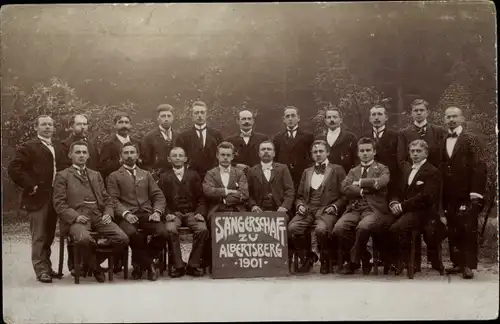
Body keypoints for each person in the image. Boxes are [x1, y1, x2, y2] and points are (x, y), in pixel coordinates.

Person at [53, 141, 129, 283]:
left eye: (84, 152)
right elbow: (59, 204)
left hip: (98, 215)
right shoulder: (62, 176)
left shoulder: (96, 175)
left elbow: (107, 199)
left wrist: (108, 213)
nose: (81, 155)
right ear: (70, 155)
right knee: (84, 239)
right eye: (77, 152)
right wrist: (75, 217)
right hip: (78, 217)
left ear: (88, 155)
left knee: (122, 238)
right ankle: (96, 268)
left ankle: (91, 263)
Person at [8, 115, 65, 283]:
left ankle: (47, 267)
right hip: (37, 197)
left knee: (48, 235)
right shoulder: (29, 146)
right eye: (43, 125)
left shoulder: (58, 147)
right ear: (36, 128)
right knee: (39, 235)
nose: (47, 127)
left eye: (50, 125)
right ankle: (41, 270)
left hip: (55, 196)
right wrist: (30, 185)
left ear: (54, 128)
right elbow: (14, 168)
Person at [106, 142, 168, 281]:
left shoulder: (146, 174)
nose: (129, 156)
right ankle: (149, 265)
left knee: (163, 232)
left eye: (132, 152)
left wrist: (157, 211)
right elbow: (112, 200)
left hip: (147, 213)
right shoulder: (114, 176)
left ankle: (141, 263)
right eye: (126, 153)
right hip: (127, 215)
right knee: (132, 234)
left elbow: (158, 195)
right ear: (120, 157)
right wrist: (126, 214)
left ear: (138, 155)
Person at [333, 137, 393, 275]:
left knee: (364, 227)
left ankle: (353, 262)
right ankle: (364, 255)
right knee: (339, 228)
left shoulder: (382, 168)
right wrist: (363, 190)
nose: (365, 153)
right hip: (354, 208)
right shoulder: (353, 170)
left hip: (373, 209)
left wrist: (358, 182)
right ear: (358, 153)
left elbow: (381, 182)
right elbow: (343, 187)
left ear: (374, 152)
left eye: (368, 150)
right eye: (362, 151)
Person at [440, 106, 487, 279]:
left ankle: (468, 265)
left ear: (462, 119)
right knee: (453, 228)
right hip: (449, 193)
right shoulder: (443, 139)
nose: (451, 119)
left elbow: (479, 167)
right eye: (448, 117)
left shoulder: (471, 139)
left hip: (467, 192)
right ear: (444, 120)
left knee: (467, 228)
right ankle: (457, 263)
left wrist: (476, 193)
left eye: (454, 116)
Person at [288, 140, 347, 274]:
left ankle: (326, 259)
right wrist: (300, 205)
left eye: (321, 151)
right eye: (315, 152)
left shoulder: (337, 170)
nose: (318, 154)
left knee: (321, 230)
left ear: (328, 152)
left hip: (327, 210)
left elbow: (345, 195)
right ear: (311, 154)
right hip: (308, 210)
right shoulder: (307, 172)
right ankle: (308, 257)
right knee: (292, 228)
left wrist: (334, 206)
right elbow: (300, 196)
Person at [388, 140, 444, 274]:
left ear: (426, 153)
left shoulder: (432, 171)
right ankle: (398, 261)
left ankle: (405, 261)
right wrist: (394, 203)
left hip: (423, 212)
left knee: (396, 229)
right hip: (405, 210)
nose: (415, 154)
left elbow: (426, 197)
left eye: (418, 151)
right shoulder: (407, 169)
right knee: (382, 224)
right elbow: (396, 190)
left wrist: (402, 206)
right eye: (412, 151)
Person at [158, 146, 209, 278]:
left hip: (192, 212)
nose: (178, 158)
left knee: (202, 230)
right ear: (169, 159)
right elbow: (160, 198)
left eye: (181, 155)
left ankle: (193, 264)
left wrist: (199, 212)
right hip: (174, 213)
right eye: (175, 156)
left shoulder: (193, 175)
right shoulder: (164, 177)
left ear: (186, 158)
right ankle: (178, 265)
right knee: (170, 230)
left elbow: (201, 197)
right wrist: (167, 212)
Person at [202, 141, 249, 269]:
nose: (225, 158)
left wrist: (224, 200)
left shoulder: (239, 173)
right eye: (223, 155)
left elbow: (244, 194)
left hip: (237, 209)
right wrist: (228, 191)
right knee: (214, 227)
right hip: (216, 210)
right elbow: (208, 191)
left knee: (244, 228)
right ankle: (215, 263)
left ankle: (239, 262)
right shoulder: (211, 173)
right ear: (217, 156)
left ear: (233, 156)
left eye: (228, 155)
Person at [175, 101, 223, 180]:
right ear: (192, 116)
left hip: (214, 177)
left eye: (202, 112)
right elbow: (179, 159)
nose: (199, 115)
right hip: (191, 178)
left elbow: (222, 155)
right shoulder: (183, 137)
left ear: (206, 115)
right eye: (196, 113)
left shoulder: (217, 135)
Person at [247, 140, 295, 215]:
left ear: (274, 153)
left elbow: (290, 190)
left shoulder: (283, 168)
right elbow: (248, 193)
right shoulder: (252, 171)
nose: (266, 151)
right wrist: (253, 206)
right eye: (263, 149)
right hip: (259, 211)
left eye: (269, 149)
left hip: (280, 210)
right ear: (259, 154)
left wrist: (284, 207)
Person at [397, 99, 447, 169]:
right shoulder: (404, 133)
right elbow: (401, 160)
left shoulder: (438, 131)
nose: (419, 113)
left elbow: (442, 157)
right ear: (411, 113)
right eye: (416, 110)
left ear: (427, 112)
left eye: (422, 110)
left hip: (434, 174)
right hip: (413, 174)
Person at [362, 105, 400, 194]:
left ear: (386, 118)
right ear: (370, 118)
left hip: (391, 181)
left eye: (379, 114)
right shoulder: (363, 136)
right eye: (373, 115)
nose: (376, 117)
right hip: (368, 180)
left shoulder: (396, 136)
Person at [97, 112, 142, 181]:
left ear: (130, 125)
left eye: (126, 122)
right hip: (116, 182)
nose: (124, 125)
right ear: (114, 125)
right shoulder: (108, 144)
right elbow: (103, 167)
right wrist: (119, 162)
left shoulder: (137, 143)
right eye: (120, 122)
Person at [315, 106, 357, 174]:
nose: (332, 120)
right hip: (324, 177)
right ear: (325, 121)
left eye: (335, 117)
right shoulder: (319, 138)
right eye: (329, 117)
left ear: (341, 120)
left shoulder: (350, 137)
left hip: (345, 177)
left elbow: (356, 160)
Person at [141, 104, 177, 180]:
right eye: (163, 116)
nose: (166, 119)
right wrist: (153, 176)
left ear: (173, 118)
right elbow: (145, 162)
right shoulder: (149, 138)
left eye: (169, 116)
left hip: (176, 177)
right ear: (158, 118)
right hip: (158, 178)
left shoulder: (179, 136)